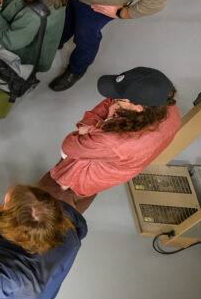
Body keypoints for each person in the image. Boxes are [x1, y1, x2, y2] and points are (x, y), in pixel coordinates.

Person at [39, 67, 181, 213]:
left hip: (79, 178)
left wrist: (103, 121)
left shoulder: (117, 141)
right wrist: (91, 127)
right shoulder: (167, 107)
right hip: (106, 169)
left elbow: (70, 145)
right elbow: (109, 102)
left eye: (120, 99)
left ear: (138, 107)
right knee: (84, 196)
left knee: (49, 209)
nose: (114, 100)